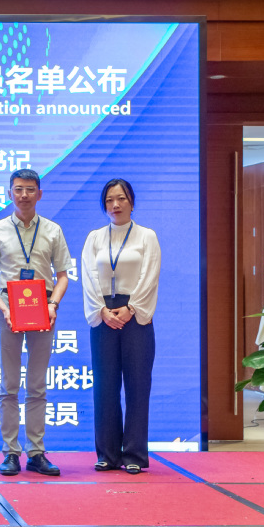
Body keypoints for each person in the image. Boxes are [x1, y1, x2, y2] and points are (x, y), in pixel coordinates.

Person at [0, 169, 71, 476]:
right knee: (9, 385)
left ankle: (36, 452)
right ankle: (10, 452)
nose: (24, 195)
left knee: (37, 384)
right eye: (18, 189)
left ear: (39, 194)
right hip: (9, 309)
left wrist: (53, 304)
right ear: (10, 194)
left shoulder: (53, 230)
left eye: (30, 189)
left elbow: (62, 276)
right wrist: (3, 307)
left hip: (44, 308)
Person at [81, 178, 161, 475]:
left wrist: (131, 309)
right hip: (103, 315)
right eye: (109, 200)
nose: (115, 205)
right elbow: (88, 277)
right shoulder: (94, 238)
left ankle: (135, 454)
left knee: (138, 387)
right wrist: (102, 311)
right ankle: (107, 454)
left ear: (132, 202)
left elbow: (150, 276)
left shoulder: (146, 236)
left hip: (135, 316)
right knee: (105, 387)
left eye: (121, 199)